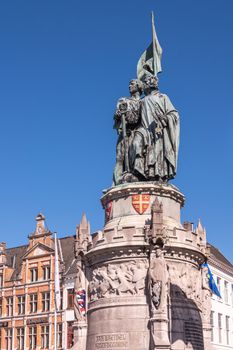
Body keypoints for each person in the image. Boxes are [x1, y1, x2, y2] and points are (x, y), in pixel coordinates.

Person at [141, 73, 180, 181]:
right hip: (146, 132)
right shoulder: (142, 101)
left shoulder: (163, 97)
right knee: (145, 148)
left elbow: (174, 114)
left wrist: (165, 119)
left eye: (147, 82)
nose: (146, 84)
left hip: (160, 131)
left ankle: (161, 174)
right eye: (145, 82)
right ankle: (146, 172)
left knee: (159, 150)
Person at [113, 79, 148, 185]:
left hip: (138, 132)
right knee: (120, 158)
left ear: (139, 87)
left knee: (135, 154)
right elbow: (116, 115)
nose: (129, 86)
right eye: (129, 84)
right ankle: (116, 183)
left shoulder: (144, 102)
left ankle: (135, 176)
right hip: (125, 132)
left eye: (132, 84)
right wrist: (119, 114)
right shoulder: (124, 100)